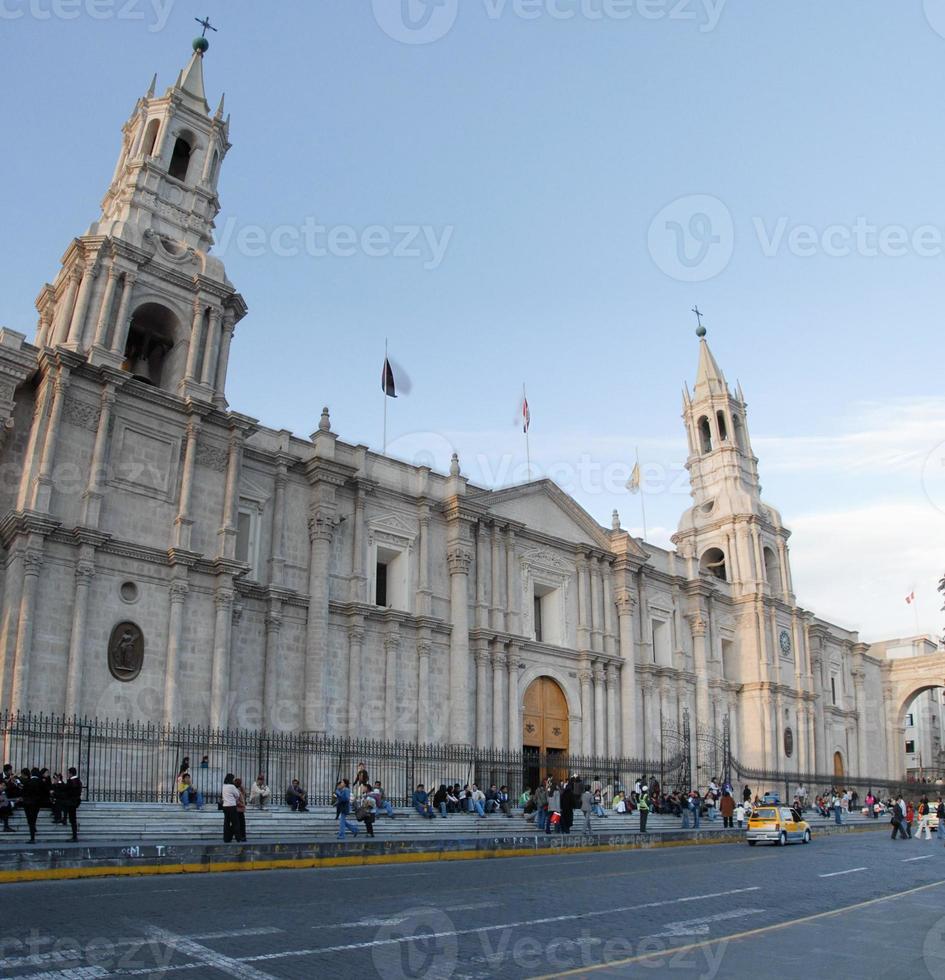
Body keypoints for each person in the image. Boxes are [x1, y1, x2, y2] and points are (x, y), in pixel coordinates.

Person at [22, 768, 48, 844]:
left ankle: (32, 836)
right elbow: (45, 792)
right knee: (34, 817)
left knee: (30, 819)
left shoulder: (28, 781)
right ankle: (33, 833)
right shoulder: (41, 782)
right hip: (37, 803)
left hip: (27, 803)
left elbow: (24, 792)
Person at [62, 767, 82, 842]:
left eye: (68, 773)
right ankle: (74, 835)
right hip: (75, 801)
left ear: (70, 773)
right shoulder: (78, 781)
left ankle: (74, 836)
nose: (68, 774)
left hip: (71, 802)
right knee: (73, 818)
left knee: (72, 819)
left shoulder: (71, 781)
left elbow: (66, 790)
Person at [221, 774, 240, 843]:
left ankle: (226, 838)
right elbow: (237, 795)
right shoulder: (232, 786)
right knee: (235, 823)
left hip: (225, 806)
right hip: (232, 806)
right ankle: (238, 837)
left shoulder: (224, 786)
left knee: (226, 823)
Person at [233, 777, 247, 843]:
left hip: (240, 810)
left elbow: (244, 792)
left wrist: (240, 786)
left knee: (241, 824)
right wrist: (242, 805)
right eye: (239, 783)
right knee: (240, 824)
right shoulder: (235, 790)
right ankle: (240, 836)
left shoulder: (238, 790)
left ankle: (242, 836)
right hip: (238, 809)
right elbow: (236, 800)